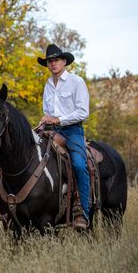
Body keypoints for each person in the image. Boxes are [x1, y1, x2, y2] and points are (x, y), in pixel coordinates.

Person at [38, 44, 90, 230]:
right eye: (50, 61)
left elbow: (83, 112)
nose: (53, 63)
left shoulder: (77, 82)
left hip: (73, 131)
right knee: (35, 157)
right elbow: (47, 111)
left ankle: (83, 213)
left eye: (56, 60)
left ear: (64, 61)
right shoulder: (48, 84)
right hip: (53, 131)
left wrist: (58, 119)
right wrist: (45, 121)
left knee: (78, 164)